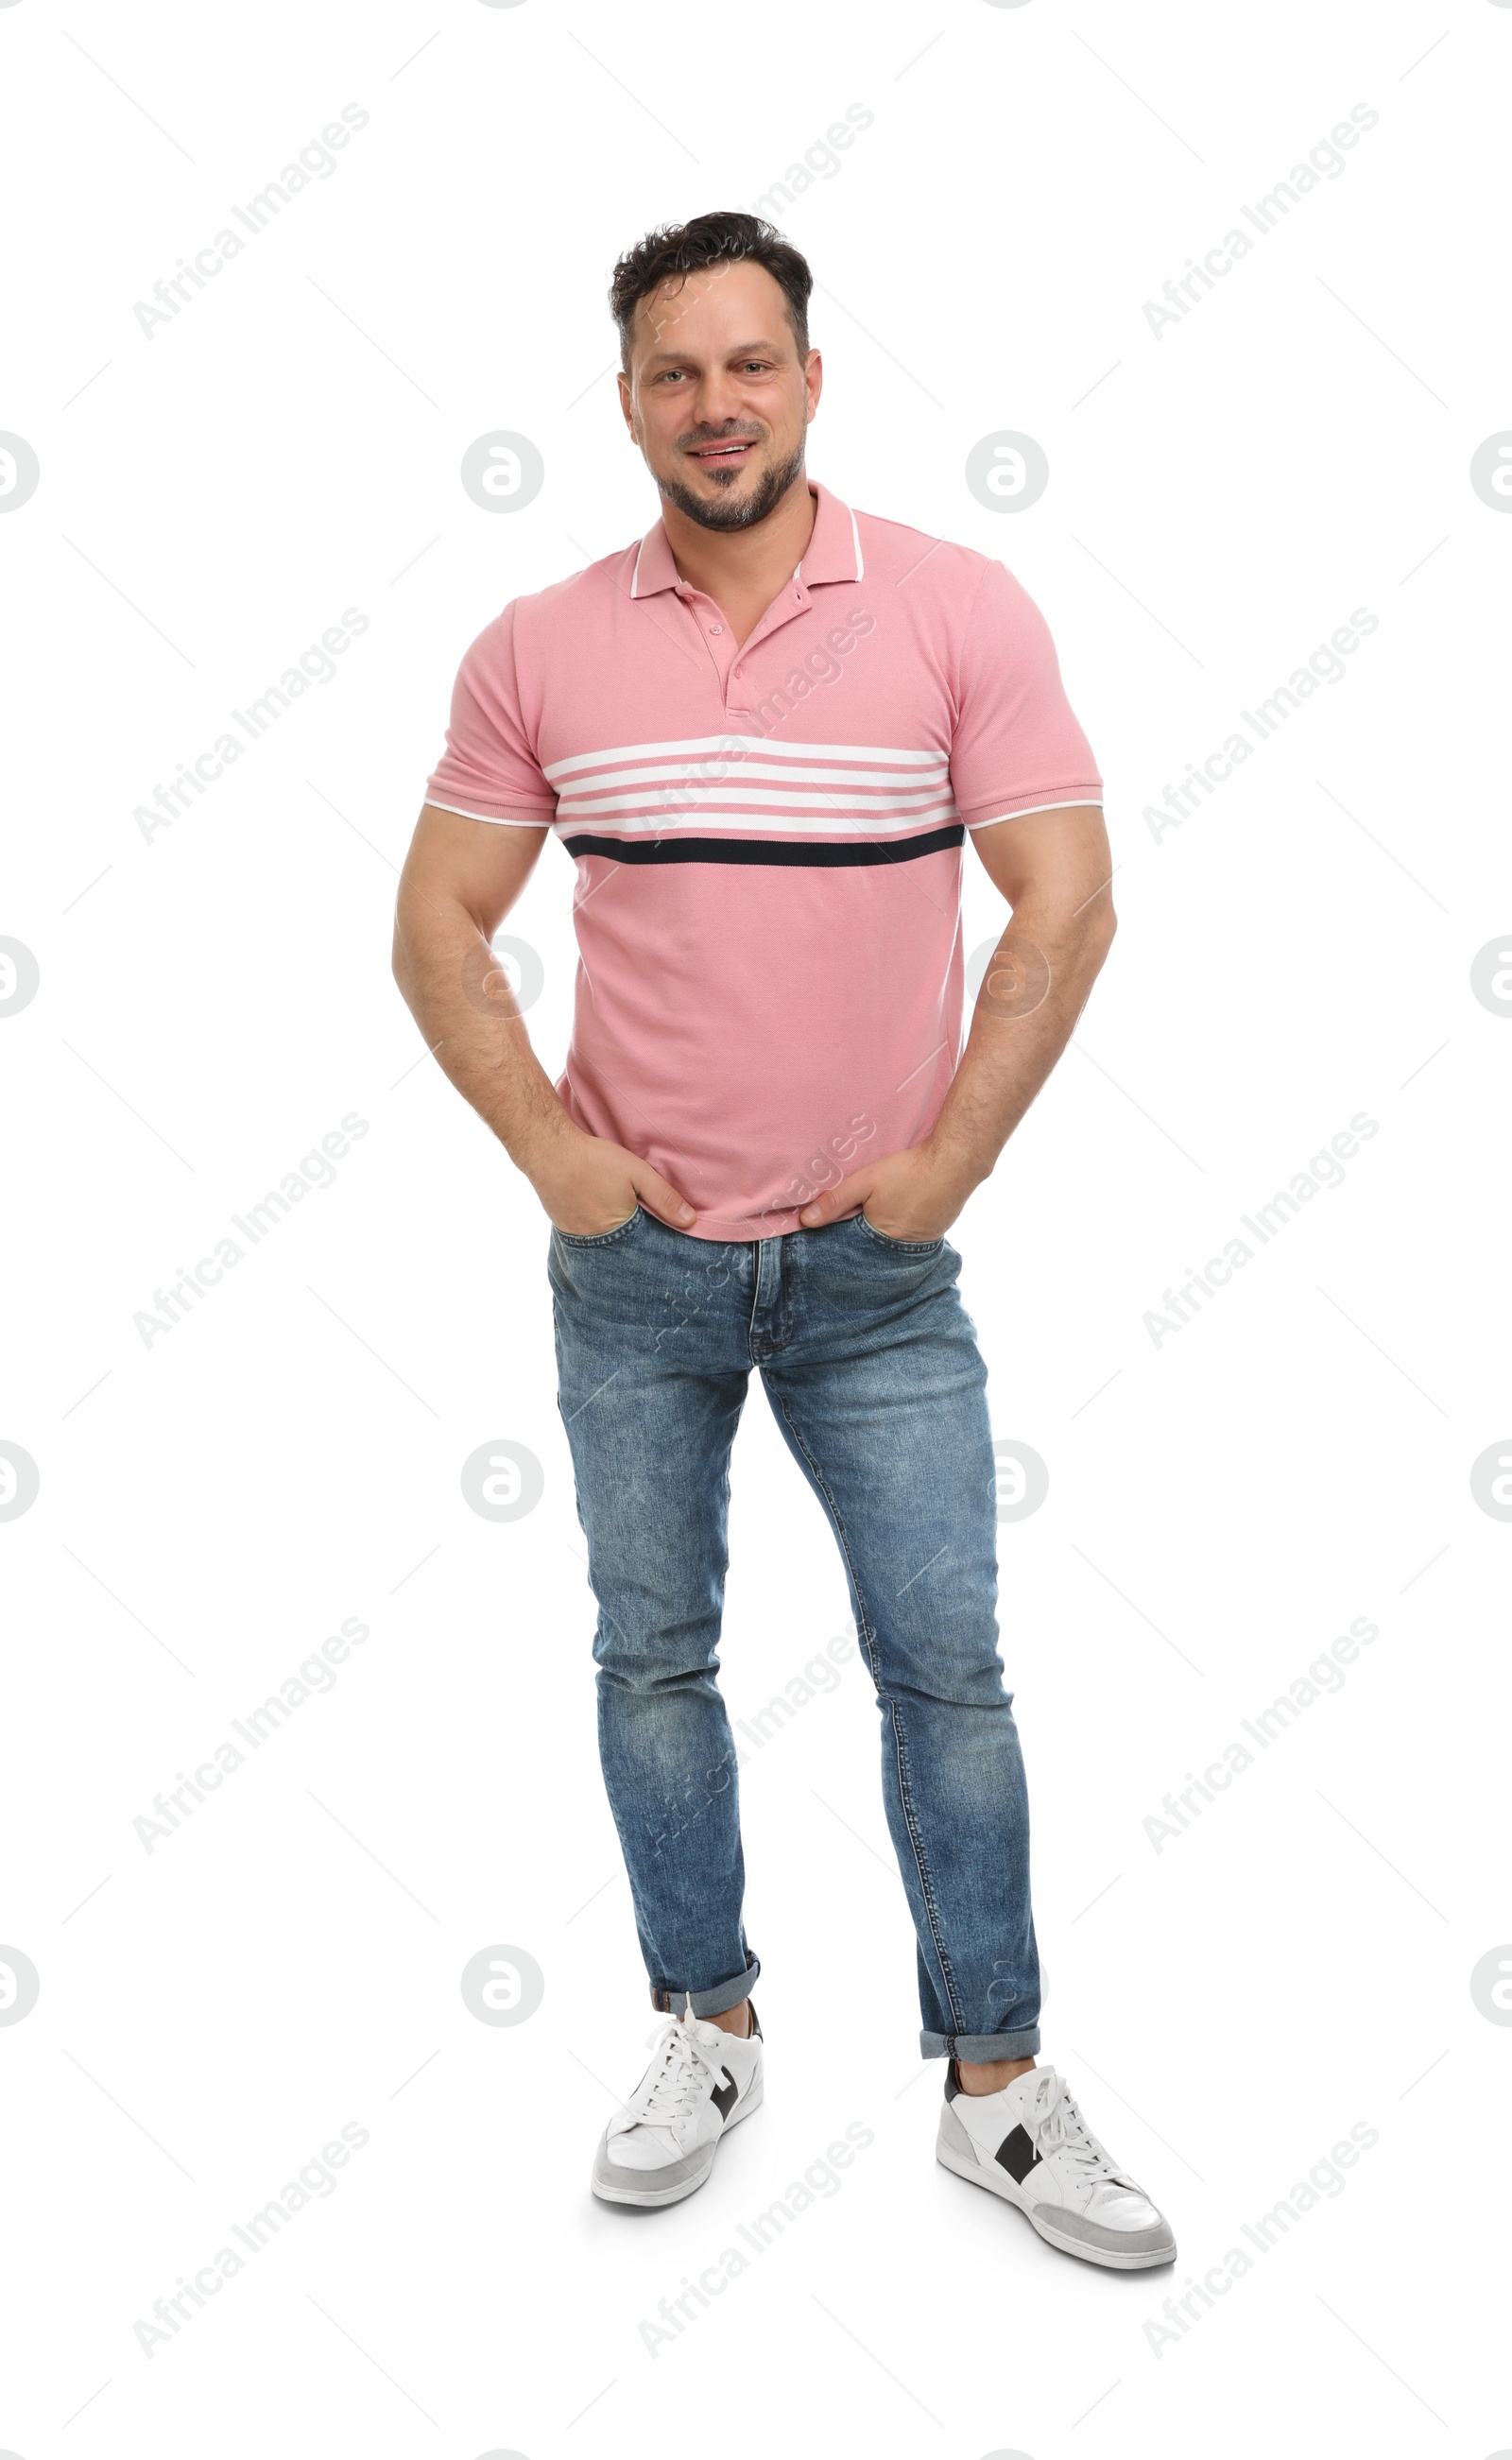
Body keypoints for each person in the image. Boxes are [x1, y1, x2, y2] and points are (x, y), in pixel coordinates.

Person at [392, 211, 1175, 2271]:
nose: (713, 404)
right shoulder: (538, 644)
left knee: (948, 1671)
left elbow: (1065, 901)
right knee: (654, 1660)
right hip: (632, 1267)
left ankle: (993, 2092)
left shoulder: (946, 608)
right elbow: (432, 925)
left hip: (877, 1281)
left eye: (749, 364)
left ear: (809, 380)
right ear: (627, 396)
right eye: (671, 371)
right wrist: (559, 1164)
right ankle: (705, 2025)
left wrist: (942, 1176)